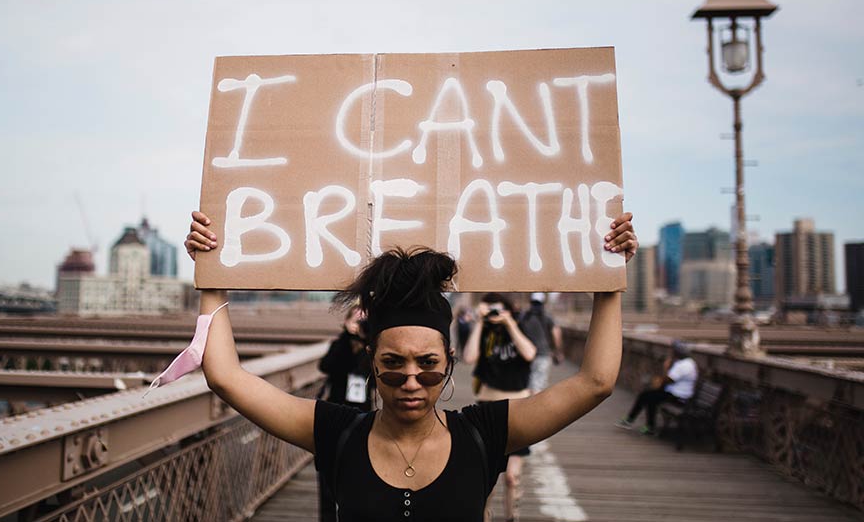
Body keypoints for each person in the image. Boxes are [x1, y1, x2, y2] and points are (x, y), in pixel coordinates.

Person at [186, 210, 637, 521]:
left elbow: (595, 382)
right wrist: (212, 275)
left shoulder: (484, 432)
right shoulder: (336, 431)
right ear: (371, 361)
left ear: (450, 361)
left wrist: (607, 279)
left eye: (429, 365)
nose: (411, 381)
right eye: (392, 365)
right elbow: (225, 377)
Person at [461, 292, 537, 522]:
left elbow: (529, 353)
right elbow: (469, 357)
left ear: (508, 309)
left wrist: (509, 323)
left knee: (512, 477)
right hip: (487, 408)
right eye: (489, 308)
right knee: (488, 479)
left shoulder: (520, 325)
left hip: (518, 408)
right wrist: (480, 323)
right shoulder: (483, 331)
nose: (494, 313)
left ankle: (511, 517)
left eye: (497, 309)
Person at [317, 306, 373, 521]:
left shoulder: (372, 349)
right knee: (328, 472)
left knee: (357, 471)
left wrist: (366, 342)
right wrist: (346, 339)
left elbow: (376, 378)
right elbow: (326, 366)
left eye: (364, 321)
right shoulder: (339, 345)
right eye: (356, 319)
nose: (359, 324)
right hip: (336, 413)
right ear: (346, 321)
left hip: (362, 416)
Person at [615, 340, 697, 435]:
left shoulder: (683, 366)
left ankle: (640, 423)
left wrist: (666, 366)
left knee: (648, 397)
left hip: (679, 397)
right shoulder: (688, 363)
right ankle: (637, 422)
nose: (671, 352)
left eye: (673, 351)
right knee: (647, 396)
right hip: (677, 394)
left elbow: (668, 380)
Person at [522, 293, 564, 395]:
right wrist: (557, 350)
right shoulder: (547, 317)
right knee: (539, 384)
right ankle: (536, 408)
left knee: (528, 383)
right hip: (543, 354)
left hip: (526, 355)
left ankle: (528, 406)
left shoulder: (524, 317)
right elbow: (556, 333)